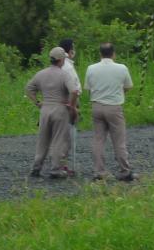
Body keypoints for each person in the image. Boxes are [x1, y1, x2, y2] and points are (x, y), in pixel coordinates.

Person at [85, 42, 136, 181]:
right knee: (118, 140)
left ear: (100, 54)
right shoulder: (122, 68)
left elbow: (88, 88)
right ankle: (125, 170)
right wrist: (119, 93)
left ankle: (99, 171)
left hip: (96, 106)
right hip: (114, 107)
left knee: (98, 139)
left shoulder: (91, 68)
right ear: (113, 54)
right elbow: (128, 86)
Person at [27, 47, 79, 179]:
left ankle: (36, 167)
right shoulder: (64, 74)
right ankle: (56, 169)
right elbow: (73, 91)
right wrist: (71, 105)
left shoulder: (41, 74)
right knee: (58, 140)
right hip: (60, 108)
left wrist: (38, 102)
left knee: (43, 139)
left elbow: (29, 89)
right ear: (61, 60)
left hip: (45, 109)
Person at [58, 39, 82, 174]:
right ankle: (62, 166)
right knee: (67, 137)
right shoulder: (67, 66)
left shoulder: (62, 64)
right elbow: (73, 89)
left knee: (62, 136)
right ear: (70, 50)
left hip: (62, 102)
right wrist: (73, 107)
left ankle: (61, 165)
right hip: (68, 103)